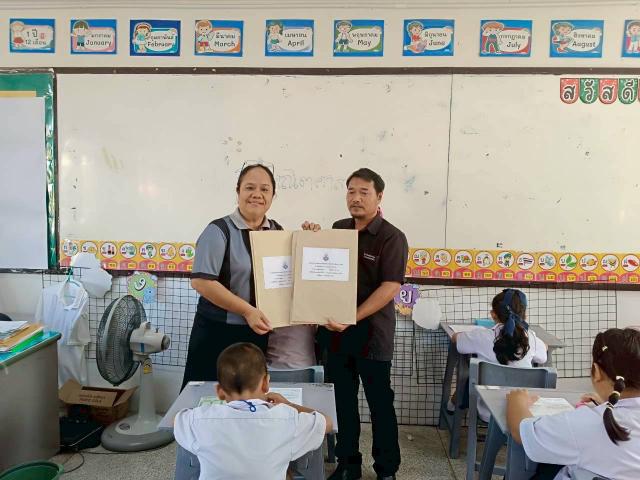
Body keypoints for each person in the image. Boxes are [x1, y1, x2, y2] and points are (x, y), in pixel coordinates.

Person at [306, 168, 408, 480]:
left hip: (373, 337)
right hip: (336, 335)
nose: (356, 198)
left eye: (364, 192)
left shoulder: (392, 237)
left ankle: (386, 469)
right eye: (351, 191)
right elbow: (320, 268)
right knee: (343, 402)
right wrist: (312, 236)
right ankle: (348, 464)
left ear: (379, 196)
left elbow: (390, 287)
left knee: (380, 404)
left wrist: (353, 316)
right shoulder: (339, 229)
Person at [182, 164, 315, 390]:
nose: (257, 194)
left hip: (257, 334)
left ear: (273, 196)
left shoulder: (277, 232)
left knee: (247, 398)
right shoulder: (218, 230)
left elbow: (288, 276)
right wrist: (247, 311)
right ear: (238, 191)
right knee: (206, 397)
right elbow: (201, 282)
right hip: (217, 333)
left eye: (265, 189)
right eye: (250, 187)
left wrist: (312, 240)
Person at [174, 342, 332, 480]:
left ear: (220, 391)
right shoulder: (287, 418)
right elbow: (327, 422)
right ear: (265, 384)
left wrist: (205, 411)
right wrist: (289, 404)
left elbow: (177, 419)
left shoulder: (199, 419)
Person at [507, 327, 640, 480]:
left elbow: (521, 433)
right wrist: (609, 403)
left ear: (596, 371)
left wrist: (517, 402)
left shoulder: (587, 423)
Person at [451, 289, 548, 420]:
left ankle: (451, 407)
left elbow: (456, 339)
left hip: (489, 411)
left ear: (493, 314)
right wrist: (540, 343)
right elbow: (543, 355)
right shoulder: (531, 338)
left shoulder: (482, 336)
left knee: (467, 378)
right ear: (524, 315)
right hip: (523, 412)